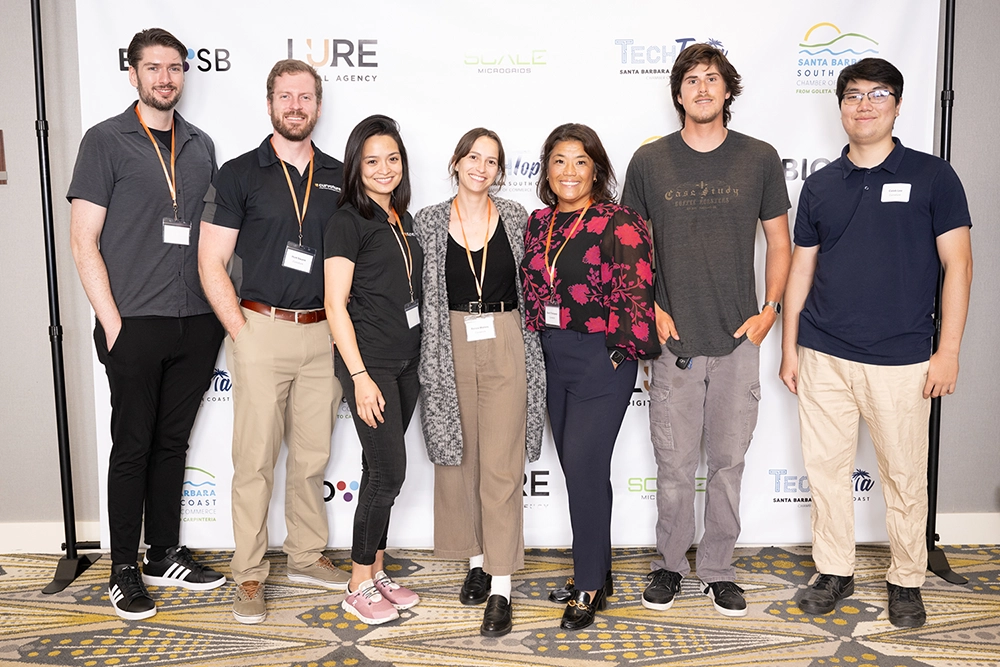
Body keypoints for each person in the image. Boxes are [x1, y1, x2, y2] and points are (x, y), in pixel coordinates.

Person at [779, 58, 973, 629]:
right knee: (826, 472)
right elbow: (800, 272)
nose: (864, 105)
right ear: (839, 107)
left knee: (905, 476)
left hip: (905, 357)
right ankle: (833, 569)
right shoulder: (818, 185)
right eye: (853, 96)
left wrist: (950, 350)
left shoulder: (935, 176)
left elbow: (958, 266)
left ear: (897, 104)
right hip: (823, 353)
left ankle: (907, 577)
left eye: (877, 94)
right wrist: (791, 348)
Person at [621, 42, 791, 618]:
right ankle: (669, 565)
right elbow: (630, 250)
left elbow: (780, 240)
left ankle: (718, 569)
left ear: (727, 91)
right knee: (672, 468)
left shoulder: (759, 158)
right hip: (673, 344)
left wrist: (769, 310)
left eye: (712, 79)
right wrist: (651, 310)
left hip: (739, 340)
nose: (701, 88)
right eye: (691, 80)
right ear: (677, 94)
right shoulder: (650, 163)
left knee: (727, 466)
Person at [67, 27, 226, 620]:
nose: (166, 79)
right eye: (153, 68)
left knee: (171, 443)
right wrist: (111, 323)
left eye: (175, 68)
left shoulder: (202, 143)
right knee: (132, 446)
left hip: (196, 321)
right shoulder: (104, 141)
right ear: (132, 74)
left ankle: (163, 552)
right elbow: (84, 242)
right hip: (132, 321)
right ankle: (123, 568)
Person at [198, 59, 347, 625]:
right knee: (255, 461)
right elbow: (210, 261)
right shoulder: (240, 173)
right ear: (269, 104)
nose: (295, 106)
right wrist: (240, 331)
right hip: (259, 327)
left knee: (311, 458)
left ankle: (307, 555)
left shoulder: (337, 174)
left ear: (317, 105)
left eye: (305, 97)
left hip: (321, 335)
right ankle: (251, 573)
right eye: (285, 97)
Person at [521, 123, 659, 630]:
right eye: (559, 160)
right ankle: (597, 572)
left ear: (597, 168)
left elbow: (637, 290)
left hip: (603, 358)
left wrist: (623, 354)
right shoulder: (539, 224)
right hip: (553, 356)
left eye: (581, 161)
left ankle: (586, 586)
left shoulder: (619, 221)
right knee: (583, 472)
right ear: (547, 170)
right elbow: (534, 292)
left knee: (581, 465)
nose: (570, 171)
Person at [414, 128, 546, 637]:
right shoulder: (427, 222)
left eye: (491, 161)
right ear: (456, 162)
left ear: (500, 171)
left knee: (501, 464)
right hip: (448, 341)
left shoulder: (516, 217)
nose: (481, 167)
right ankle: (475, 559)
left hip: (506, 336)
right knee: (459, 456)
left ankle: (501, 585)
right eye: (473, 157)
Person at [324, 115, 424, 626]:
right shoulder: (348, 219)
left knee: (375, 471)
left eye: (392, 159)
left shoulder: (399, 219)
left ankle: (377, 571)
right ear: (355, 167)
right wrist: (360, 377)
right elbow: (335, 304)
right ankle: (357, 583)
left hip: (405, 363)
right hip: (372, 366)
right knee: (389, 473)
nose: (384, 169)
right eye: (371, 161)